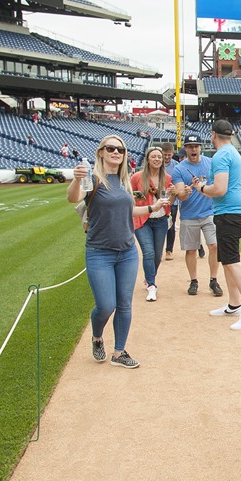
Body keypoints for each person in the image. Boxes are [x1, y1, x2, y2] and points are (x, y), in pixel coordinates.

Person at [66, 136, 167, 369]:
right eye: (110, 148)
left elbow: (128, 210)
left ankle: (119, 352)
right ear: (101, 152)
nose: (116, 152)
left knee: (124, 304)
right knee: (105, 305)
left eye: (120, 149)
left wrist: (152, 207)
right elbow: (73, 197)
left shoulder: (125, 181)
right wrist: (76, 180)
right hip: (100, 252)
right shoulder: (93, 179)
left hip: (127, 251)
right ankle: (97, 337)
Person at [195, 121, 241, 327]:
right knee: (228, 259)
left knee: (232, 261)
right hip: (231, 211)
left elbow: (219, 189)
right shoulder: (232, 152)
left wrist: (201, 188)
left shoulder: (221, 155)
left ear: (213, 135)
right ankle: (234, 305)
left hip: (229, 212)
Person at [171, 134, 222, 296]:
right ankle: (193, 281)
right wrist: (187, 190)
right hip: (189, 214)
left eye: (196, 146)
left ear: (200, 147)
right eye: (190, 146)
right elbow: (181, 196)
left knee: (214, 245)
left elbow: (217, 185)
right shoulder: (179, 168)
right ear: (185, 149)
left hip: (209, 212)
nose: (194, 149)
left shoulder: (210, 163)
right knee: (191, 250)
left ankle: (213, 280)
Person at [130, 146, 172, 302]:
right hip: (143, 219)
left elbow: (169, 202)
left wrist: (172, 194)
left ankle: (149, 278)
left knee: (157, 255)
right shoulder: (137, 177)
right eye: (153, 156)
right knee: (148, 252)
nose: (157, 159)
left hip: (160, 219)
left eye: (159, 157)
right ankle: (152, 286)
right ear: (148, 159)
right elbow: (130, 197)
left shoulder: (167, 178)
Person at [161, 143, 178, 260]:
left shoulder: (176, 166)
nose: (167, 157)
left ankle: (169, 250)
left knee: (171, 225)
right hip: (158, 199)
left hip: (173, 201)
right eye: (165, 155)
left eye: (169, 155)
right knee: (158, 225)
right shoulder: (156, 163)